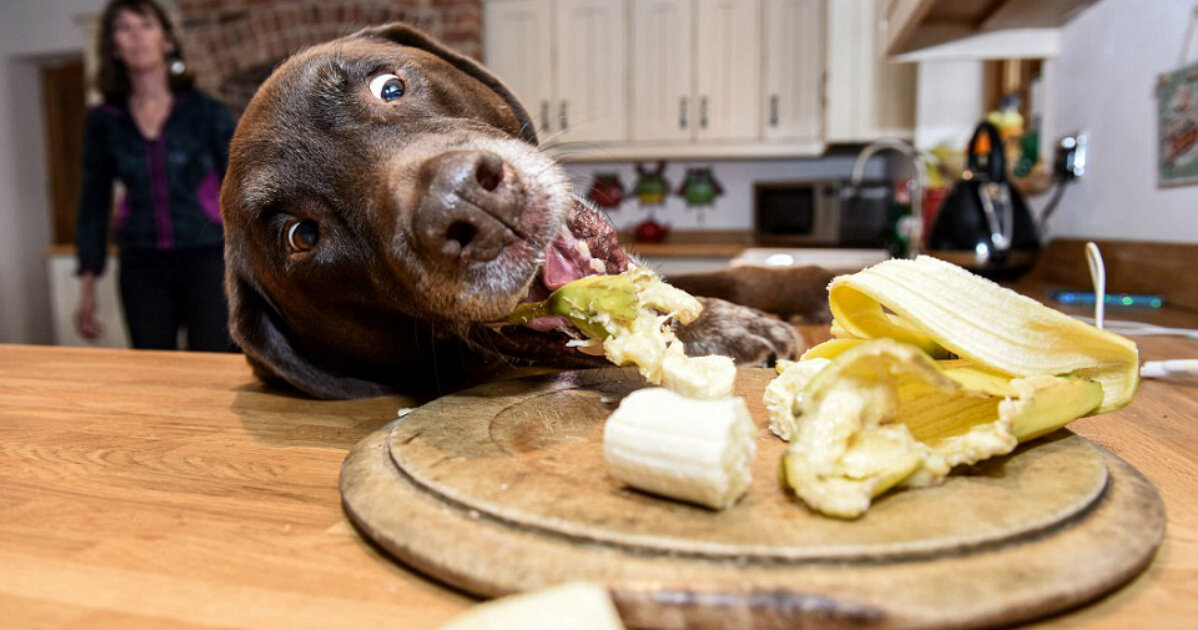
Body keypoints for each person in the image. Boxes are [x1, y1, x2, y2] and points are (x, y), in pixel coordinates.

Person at [75, 0, 236, 351]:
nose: (136, 37)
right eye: (123, 28)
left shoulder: (206, 112)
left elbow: (239, 189)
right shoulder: (104, 120)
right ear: (113, 46)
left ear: (167, 40)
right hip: (142, 262)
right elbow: (93, 200)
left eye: (145, 25)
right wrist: (88, 284)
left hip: (206, 256)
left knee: (212, 365)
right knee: (153, 369)